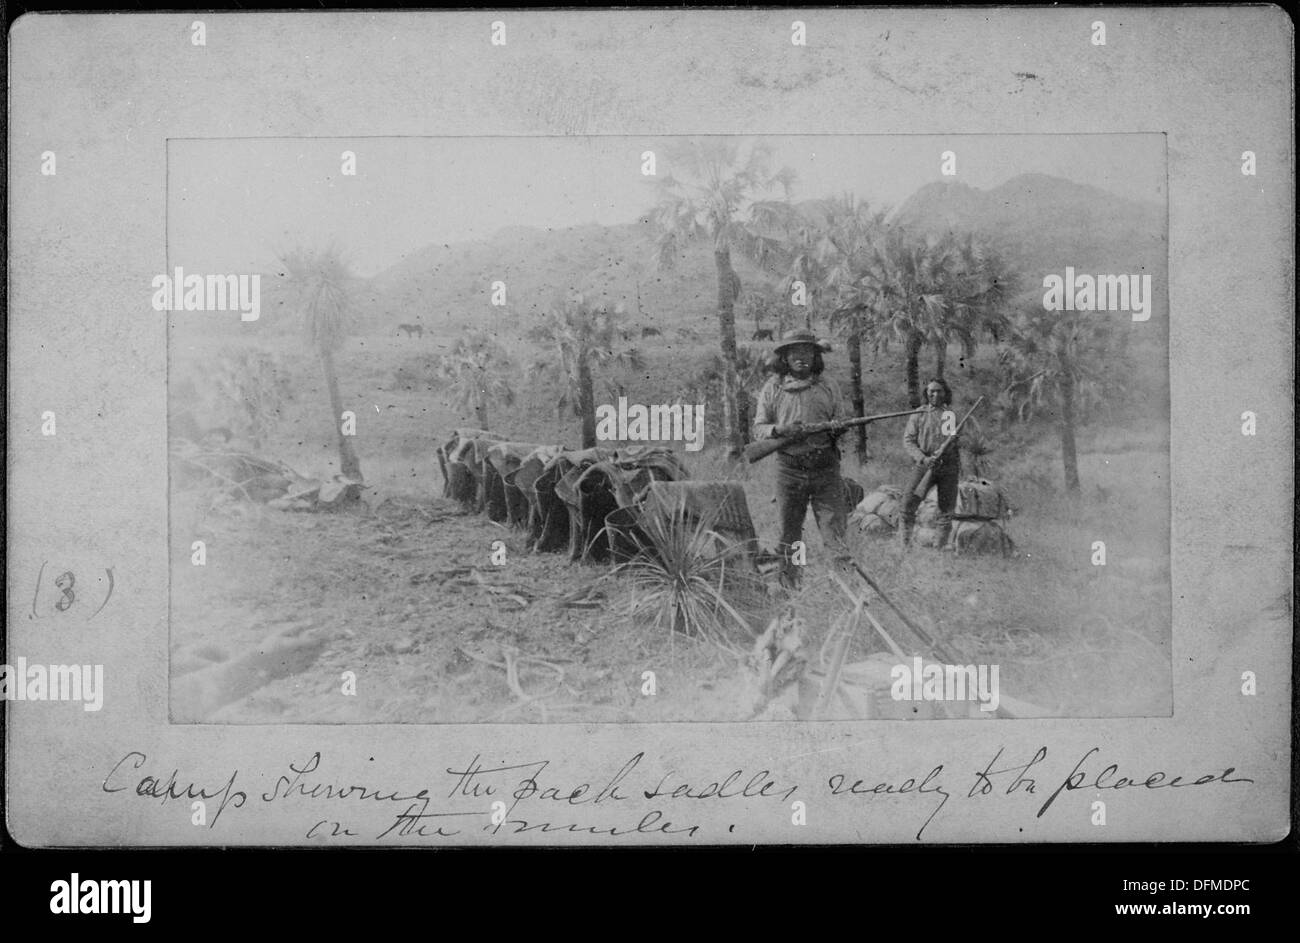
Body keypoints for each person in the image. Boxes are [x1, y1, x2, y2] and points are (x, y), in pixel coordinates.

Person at [752, 329, 851, 587]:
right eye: (795, 352)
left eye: (807, 352)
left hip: (825, 469)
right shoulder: (772, 388)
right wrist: (780, 431)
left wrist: (837, 428)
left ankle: (841, 589)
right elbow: (759, 427)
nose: (801, 358)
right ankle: (789, 585)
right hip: (790, 470)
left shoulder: (828, 385)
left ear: (815, 356)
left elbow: (839, 419)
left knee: (834, 533)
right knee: (789, 532)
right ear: (785, 357)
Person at [899, 377, 988, 549]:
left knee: (946, 510)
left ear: (945, 393)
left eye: (939, 391)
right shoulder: (919, 414)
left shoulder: (951, 415)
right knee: (907, 505)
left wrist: (957, 439)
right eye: (931, 391)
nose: (935, 394)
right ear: (926, 393)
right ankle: (905, 547)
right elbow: (909, 441)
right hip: (924, 465)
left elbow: (964, 441)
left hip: (948, 466)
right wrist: (924, 458)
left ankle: (938, 549)